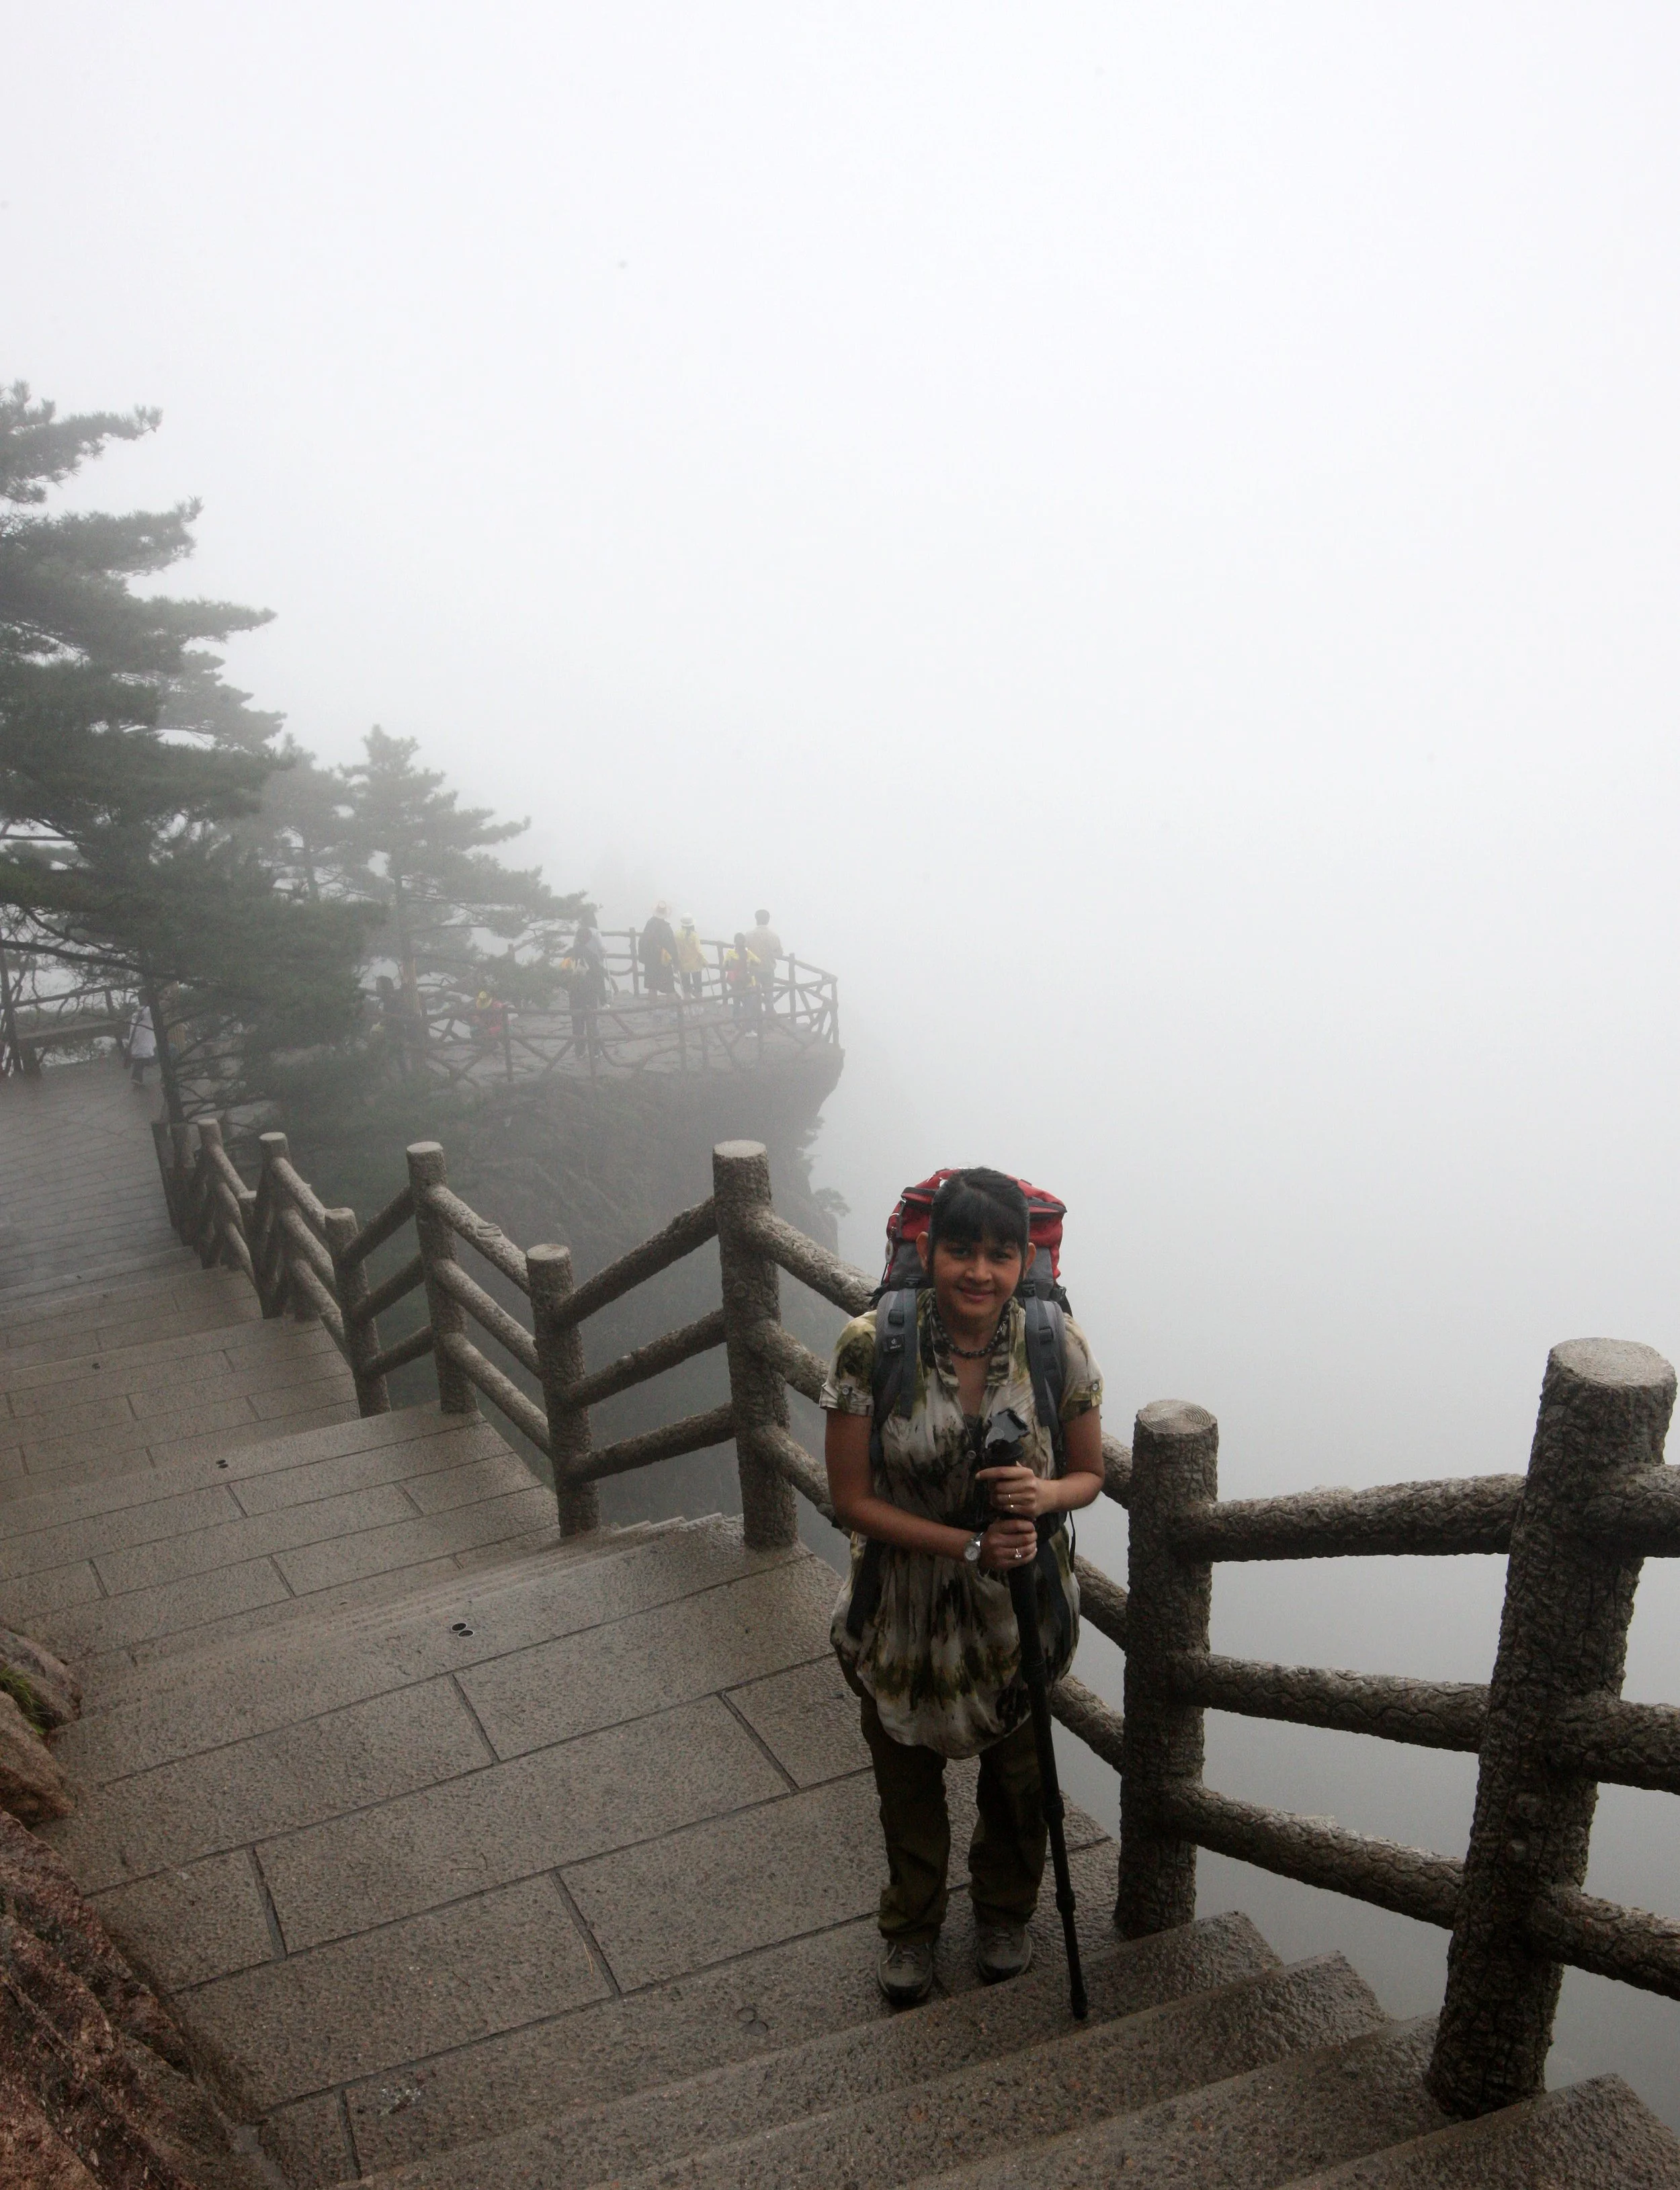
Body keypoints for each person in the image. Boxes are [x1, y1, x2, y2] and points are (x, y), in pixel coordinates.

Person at [822, 1169, 1105, 2007]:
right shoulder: (871, 1346)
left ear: (1024, 1261)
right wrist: (968, 1543)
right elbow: (851, 1501)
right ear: (924, 1248)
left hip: (1018, 1610)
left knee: (1020, 1783)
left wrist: (1044, 1497)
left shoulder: (1055, 1343)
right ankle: (910, 1926)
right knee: (905, 1784)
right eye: (959, 1249)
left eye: (998, 1253)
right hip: (900, 1608)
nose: (977, 1271)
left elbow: (1088, 1473)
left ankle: (1004, 1912)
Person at [639, 901, 678, 998]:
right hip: (663, 961)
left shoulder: (649, 924)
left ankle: (652, 1008)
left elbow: (643, 941)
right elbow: (672, 946)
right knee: (669, 987)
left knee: (652, 986)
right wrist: (676, 961)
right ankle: (673, 1009)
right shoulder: (666, 928)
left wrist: (643, 957)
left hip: (650, 960)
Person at [745, 909, 782, 1010]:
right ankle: (768, 1017)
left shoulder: (749, 935)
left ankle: (754, 1018)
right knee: (769, 995)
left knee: (753, 994)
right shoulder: (774, 936)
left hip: (753, 969)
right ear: (768, 920)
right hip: (768, 969)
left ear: (756, 919)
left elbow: (744, 951)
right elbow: (779, 953)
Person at [126, 1002, 157, 1089]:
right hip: (147, 1051)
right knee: (172, 1050)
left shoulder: (136, 1013)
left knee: (140, 1057)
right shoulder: (149, 1011)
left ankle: (137, 1077)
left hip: (136, 1048)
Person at [675, 913, 706, 1000]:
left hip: (683, 964)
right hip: (695, 964)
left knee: (686, 988)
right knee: (698, 986)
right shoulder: (694, 935)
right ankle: (699, 1007)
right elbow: (698, 950)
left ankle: (688, 1008)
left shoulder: (677, 934)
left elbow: (676, 949)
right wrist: (704, 961)